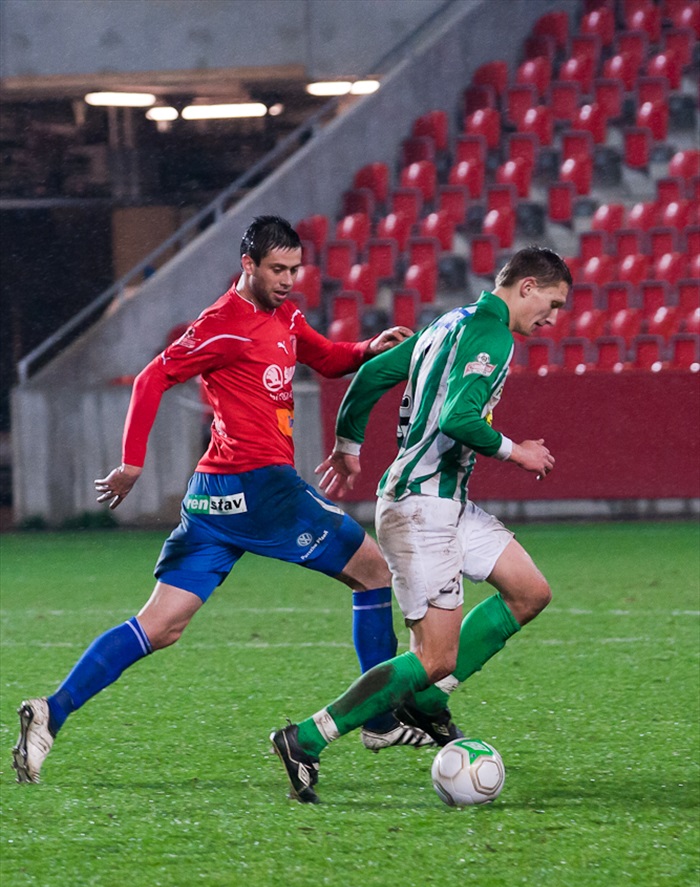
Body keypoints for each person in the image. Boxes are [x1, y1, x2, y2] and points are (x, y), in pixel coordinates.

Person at [13, 214, 437, 784]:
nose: (288, 279)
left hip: (212, 498)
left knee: (160, 625)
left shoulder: (283, 314)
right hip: (260, 486)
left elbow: (327, 357)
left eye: (294, 269)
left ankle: (50, 713)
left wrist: (367, 348)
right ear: (248, 265)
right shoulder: (223, 324)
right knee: (373, 571)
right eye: (277, 269)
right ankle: (380, 718)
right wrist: (132, 462)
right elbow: (149, 380)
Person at [270, 245, 573, 803]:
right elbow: (460, 417)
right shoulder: (494, 335)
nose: (553, 319)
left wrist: (347, 442)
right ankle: (306, 738)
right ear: (526, 287)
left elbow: (373, 374)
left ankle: (425, 699)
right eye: (552, 304)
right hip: (420, 510)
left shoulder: (447, 324)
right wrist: (517, 451)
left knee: (529, 592)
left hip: (445, 503)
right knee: (434, 657)